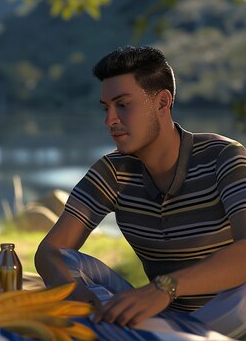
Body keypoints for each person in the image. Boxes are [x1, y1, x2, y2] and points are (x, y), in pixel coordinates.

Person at [34, 46, 246, 340]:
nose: (110, 120)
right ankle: (147, 330)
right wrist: (69, 289)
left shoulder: (225, 157)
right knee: (66, 261)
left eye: (122, 105)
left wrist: (165, 288)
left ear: (162, 102)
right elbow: (50, 251)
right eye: (105, 108)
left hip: (226, 317)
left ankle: (138, 332)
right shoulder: (112, 171)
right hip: (159, 314)